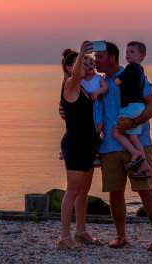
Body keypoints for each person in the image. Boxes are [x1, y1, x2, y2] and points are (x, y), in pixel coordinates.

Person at [93, 41, 152, 251]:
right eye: (95, 57)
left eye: (99, 56)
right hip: (109, 146)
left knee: (145, 190)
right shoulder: (99, 83)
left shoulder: (134, 75)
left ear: (112, 58)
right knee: (115, 193)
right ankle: (121, 236)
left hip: (138, 143)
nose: (95, 61)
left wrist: (133, 123)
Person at [57, 41, 102, 251]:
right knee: (73, 190)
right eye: (81, 64)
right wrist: (83, 52)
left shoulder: (84, 88)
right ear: (70, 68)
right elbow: (76, 75)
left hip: (88, 144)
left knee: (84, 190)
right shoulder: (70, 84)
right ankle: (64, 236)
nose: (86, 67)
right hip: (75, 145)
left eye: (86, 63)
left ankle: (81, 231)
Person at [113, 41, 151, 177]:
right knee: (133, 136)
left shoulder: (130, 68)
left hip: (130, 106)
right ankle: (144, 165)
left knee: (116, 133)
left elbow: (117, 82)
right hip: (139, 106)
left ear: (141, 55)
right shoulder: (141, 70)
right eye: (127, 51)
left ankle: (135, 154)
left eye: (132, 52)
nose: (128, 54)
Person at [81, 55, 108, 167]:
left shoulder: (98, 78)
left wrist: (97, 92)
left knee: (97, 132)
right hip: (86, 111)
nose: (89, 66)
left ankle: (97, 154)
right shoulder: (81, 81)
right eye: (85, 65)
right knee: (84, 132)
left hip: (97, 110)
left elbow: (106, 87)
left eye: (91, 63)